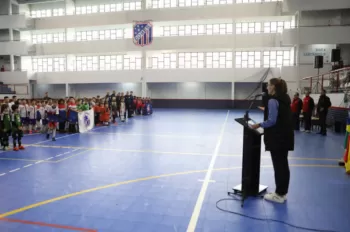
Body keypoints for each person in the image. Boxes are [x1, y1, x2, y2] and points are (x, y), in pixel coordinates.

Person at [251, 78, 294, 203]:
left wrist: (258, 125)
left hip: (277, 138)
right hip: (286, 137)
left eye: (269, 85)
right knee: (283, 165)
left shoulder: (272, 100)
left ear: (274, 87)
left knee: (279, 166)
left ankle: (279, 195)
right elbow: (280, 114)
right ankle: (282, 192)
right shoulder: (285, 98)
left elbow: (272, 121)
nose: (267, 88)